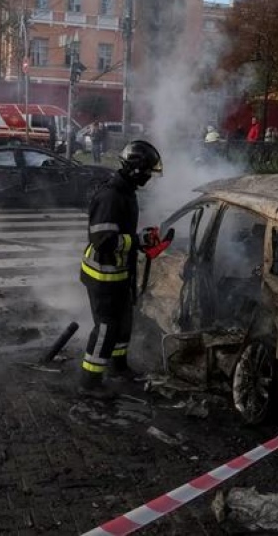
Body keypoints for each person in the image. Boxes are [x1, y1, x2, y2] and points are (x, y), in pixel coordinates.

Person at [78, 140, 170, 399]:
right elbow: (103, 240)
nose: (150, 178)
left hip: (118, 273)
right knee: (106, 328)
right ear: (136, 169)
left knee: (123, 323)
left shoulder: (126, 191)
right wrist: (136, 241)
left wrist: (139, 240)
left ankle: (118, 368)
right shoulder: (111, 196)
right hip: (102, 275)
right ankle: (89, 382)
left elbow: (122, 234)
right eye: (148, 173)